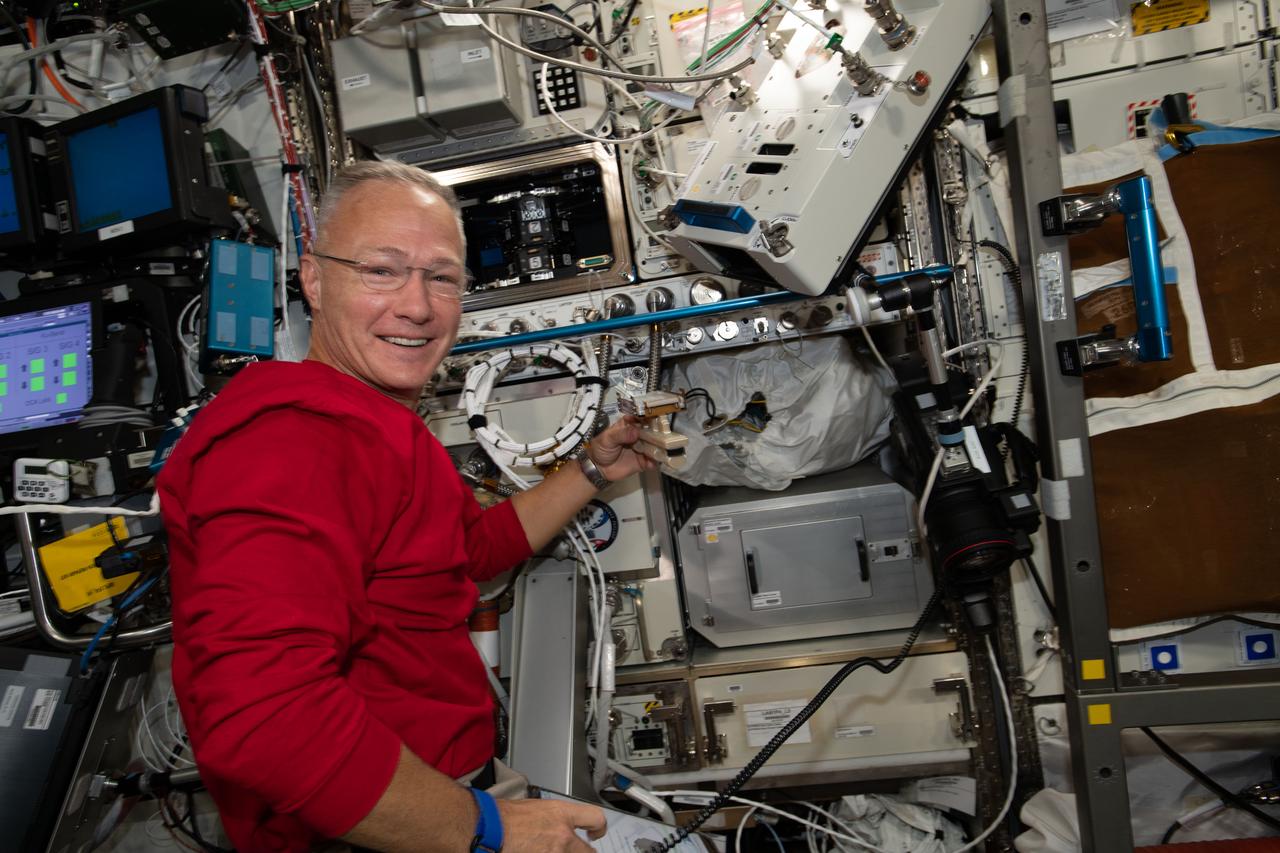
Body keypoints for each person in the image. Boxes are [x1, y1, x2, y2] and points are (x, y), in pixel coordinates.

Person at [158, 161, 653, 852]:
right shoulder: (291, 437)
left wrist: (595, 468)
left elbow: (471, 551)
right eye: (380, 270)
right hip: (381, 824)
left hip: (444, 790)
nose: (417, 306)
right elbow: (267, 715)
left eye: (441, 276)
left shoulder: (376, 426)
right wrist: (483, 829)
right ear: (314, 278)